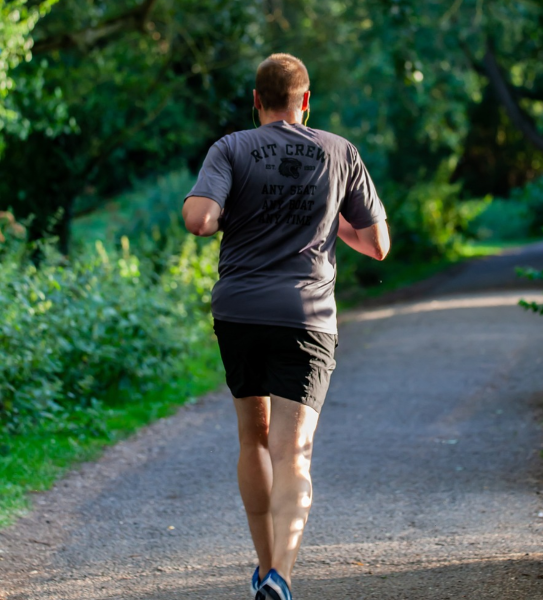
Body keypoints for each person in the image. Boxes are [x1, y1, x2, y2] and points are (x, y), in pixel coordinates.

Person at [182, 53, 390, 600]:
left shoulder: (229, 148)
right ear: (306, 100)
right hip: (307, 317)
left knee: (254, 441)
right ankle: (281, 576)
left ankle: (263, 565)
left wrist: (236, 213)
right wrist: (328, 223)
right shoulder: (339, 151)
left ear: (256, 101)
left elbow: (200, 220)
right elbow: (378, 244)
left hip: (240, 311)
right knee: (292, 451)